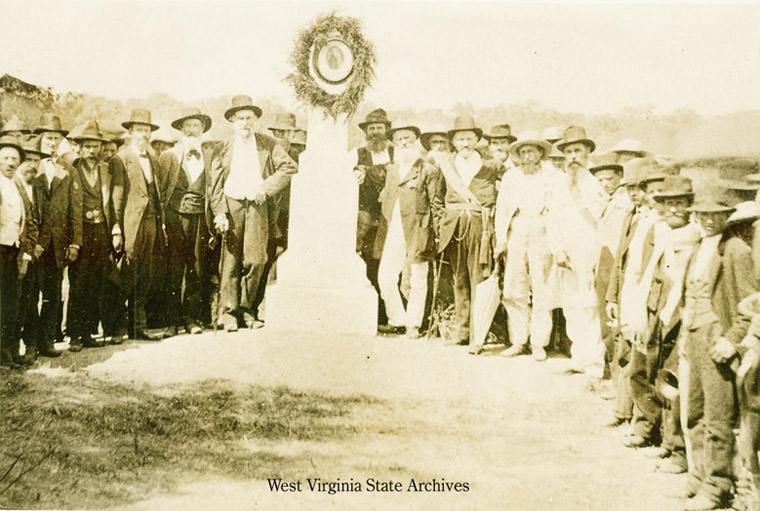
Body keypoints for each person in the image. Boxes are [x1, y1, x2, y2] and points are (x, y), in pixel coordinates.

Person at [680, 196, 757, 511]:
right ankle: (699, 473)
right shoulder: (699, 246)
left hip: (717, 336)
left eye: (717, 214)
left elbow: (750, 304)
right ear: (696, 215)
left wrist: (732, 341)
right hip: (694, 334)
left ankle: (718, 485)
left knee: (718, 416)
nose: (709, 220)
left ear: (727, 215)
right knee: (695, 410)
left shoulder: (736, 249)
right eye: (703, 214)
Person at [627, 176, 701, 458]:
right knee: (640, 368)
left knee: (670, 379)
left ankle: (675, 445)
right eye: (667, 203)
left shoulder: (694, 235)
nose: (672, 210)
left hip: (677, 314)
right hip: (653, 307)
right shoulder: (658, 231)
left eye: (679, 204)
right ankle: (648, 428)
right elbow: (646, 274)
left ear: (689, 206)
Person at [210, 95, 297, 332]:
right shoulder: (222, 148)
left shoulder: (268, 144)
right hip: (232, 205)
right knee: (230, 261)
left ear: (256, 120)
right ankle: (229, 313)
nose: (245, 123)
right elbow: (215, 185)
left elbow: (289, 167)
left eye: (249, 118)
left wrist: (265, 188)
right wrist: (219, 213)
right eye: (240, 119)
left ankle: (248, 310)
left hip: (258, 207)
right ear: (232, 121)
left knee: (256, 259)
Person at [430, 115, 500, 345]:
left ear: (477, 139)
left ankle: (477, 335)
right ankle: (462, 332)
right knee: (459, 279)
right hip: (453, 227)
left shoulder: (490, 166)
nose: (465, 144)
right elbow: (437, 198)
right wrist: (441, 223)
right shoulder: (447, 165)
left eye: (469, 139)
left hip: (480, 228)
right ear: (454, 142)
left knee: (478, 278)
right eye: (460, 140)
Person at [494, 131, 560, 360]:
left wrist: (554, 238)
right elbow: (502, 209)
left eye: (531, 151)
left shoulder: (552, 175)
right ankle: (519, 340)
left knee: (541, 287)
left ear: (540, 153)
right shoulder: (511, 177)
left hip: (542, 228)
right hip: (518, 227)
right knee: (513, 287)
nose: (527, 156)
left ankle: (539, 343)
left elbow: (558, 208)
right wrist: (501, 239)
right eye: (523, 152)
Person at [551, 126, 608, 383]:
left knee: (589, 306)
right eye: (569, 152)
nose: (573, 156)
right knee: (572, 306)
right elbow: (553, 218)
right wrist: (557, 248)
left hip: (589, 251)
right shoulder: (559, 184)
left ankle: (595, 364)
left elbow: (601, 221)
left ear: (586, 154)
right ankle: (579, 358)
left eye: (578, 151)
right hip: (566, 253)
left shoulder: (595, 183)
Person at [375, 121, 438, 339]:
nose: (404, 143)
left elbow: (436, 204)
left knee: (419, 278)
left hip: (418, 229)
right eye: (400, 139)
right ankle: (397, 319)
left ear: (415, 141)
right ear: (394, 142)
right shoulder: (391, 169)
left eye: (408, 139)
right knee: (385, 276)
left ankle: (413, 324)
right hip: (393, 228)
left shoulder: (427, 170)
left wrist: (434, 233)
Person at [159, 107, 216, 335]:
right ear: (181, 129)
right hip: (175, 216)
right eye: (188, 125)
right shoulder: (169, 156)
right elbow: (162, 191)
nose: (192, 130)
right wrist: (163, 220)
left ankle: (191, 319)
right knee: (175, 268)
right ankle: (172, 322)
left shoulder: (210, 156)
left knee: (197, 267)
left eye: (196, 126)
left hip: (201, 218)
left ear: (202, 130)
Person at [111, 108, 166, 341]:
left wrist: (160, 222)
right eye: (139, 130)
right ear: (131, 132)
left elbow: (155, 194)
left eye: (147, 130)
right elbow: (117, 196)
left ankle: (137, 327)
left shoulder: (153, 158)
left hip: (151, 223)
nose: (143, 135)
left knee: (144, 275)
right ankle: (114, 329)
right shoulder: (120, 159)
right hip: (130, 225)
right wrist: (116, 228)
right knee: (123, 275)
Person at [33, 113, 82, 347]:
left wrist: (75, 243)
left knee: (54, 293)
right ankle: (30, 343)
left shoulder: (69, 169)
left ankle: (47, 341)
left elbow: (76, 209)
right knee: (32, 293)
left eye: (55, 138)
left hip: (59, 241)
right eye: (48, 137)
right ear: (40, 138)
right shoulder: (30, 166)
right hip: (34, 240)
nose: (51, 142)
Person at [65, 121, 114, 351]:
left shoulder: (106, 169)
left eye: (95, 147)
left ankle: (87, 333)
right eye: (87, 147)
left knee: (96, 281)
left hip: (101, 231)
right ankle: (74, 334)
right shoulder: (71, 169)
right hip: (81, 231)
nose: (92, 151)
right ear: (80, 148)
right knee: (78, 283)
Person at [354, 108, 394, 322]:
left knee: (389, 264)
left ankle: (390, 315)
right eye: (372, 129)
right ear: (366, 132)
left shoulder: (396, 153)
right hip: (366, 217)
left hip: (391, 218)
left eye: (379, 128)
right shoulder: (358, 154)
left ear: (387, 130)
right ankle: (373, 315)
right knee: (369, 262)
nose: (376, 132)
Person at [0, 136, 35, 368]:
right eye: (5, 158)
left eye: (15, 159)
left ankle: (7, 353)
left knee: (11, 304)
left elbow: (28, 220)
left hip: (13, 250)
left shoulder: (18, 185)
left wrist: (26, 252)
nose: (10, 162)